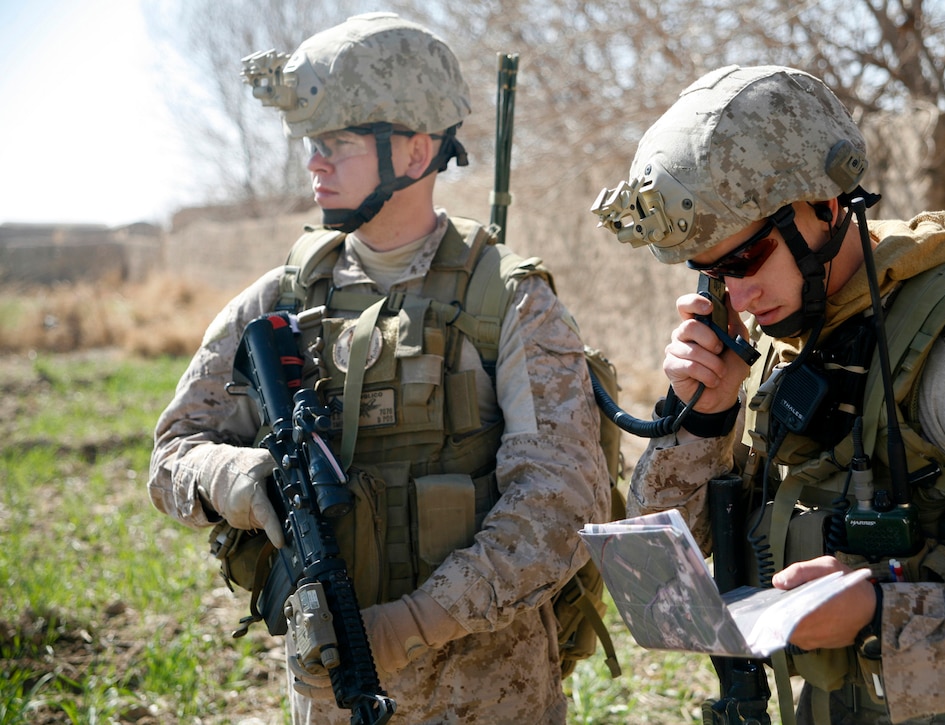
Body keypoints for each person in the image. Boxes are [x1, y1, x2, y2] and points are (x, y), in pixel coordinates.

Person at [148, 13, 610, 724]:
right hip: (330, 692)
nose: (315, 163)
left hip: (490, 695)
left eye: (337, 142)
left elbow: (562, 502)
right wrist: (232, 478)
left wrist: (412, 621)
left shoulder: (512, 300)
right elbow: (172, 453)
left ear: (417, 150)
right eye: (311, 143)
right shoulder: (280, 300)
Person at [593, 65, 945, 724]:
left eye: (743, 260)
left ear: (825, 206)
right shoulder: (777, 342)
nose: (735, 296)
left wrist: (883, 617)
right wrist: (704, 417)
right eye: (711, 272)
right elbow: (662, 574)